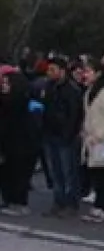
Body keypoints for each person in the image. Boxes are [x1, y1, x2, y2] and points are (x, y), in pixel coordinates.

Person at [41, 58, 84, 217]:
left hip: (65, 136)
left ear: (62, 70)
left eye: (53, 69)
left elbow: (74, 115)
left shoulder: (71, 89)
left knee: (68, 171)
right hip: (50, 134)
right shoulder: (49, 87)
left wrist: (68, 134)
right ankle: (58, 201)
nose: (49, 73)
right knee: (55, 171)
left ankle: (71, 203)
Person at [80, 62, 104, 224]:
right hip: (90, 138)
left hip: (102, 139)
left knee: (102, 173)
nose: (85, 74)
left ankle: (103, 207)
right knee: (95, 173)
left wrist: (99, 135)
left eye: (88, 71)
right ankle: (98, 205)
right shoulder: (91, 91)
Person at [0, 71, 42, 216]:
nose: (4, 86)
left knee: (20, 174)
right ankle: (10, 200)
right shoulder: (5, 101)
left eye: (7, 83)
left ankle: (20, 203)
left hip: (23, 143)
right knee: (7, 173)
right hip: (8, 142)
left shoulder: (21, 101)